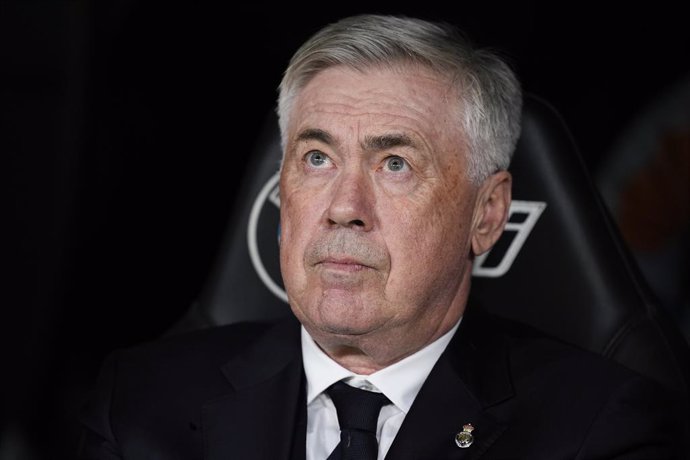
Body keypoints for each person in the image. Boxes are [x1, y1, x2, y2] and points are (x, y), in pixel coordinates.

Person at [77, 14, 689, 459]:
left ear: (487, 214)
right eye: (317, 159)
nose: (345, 207)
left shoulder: (604, 434)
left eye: (395, 163)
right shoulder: (138, 404)